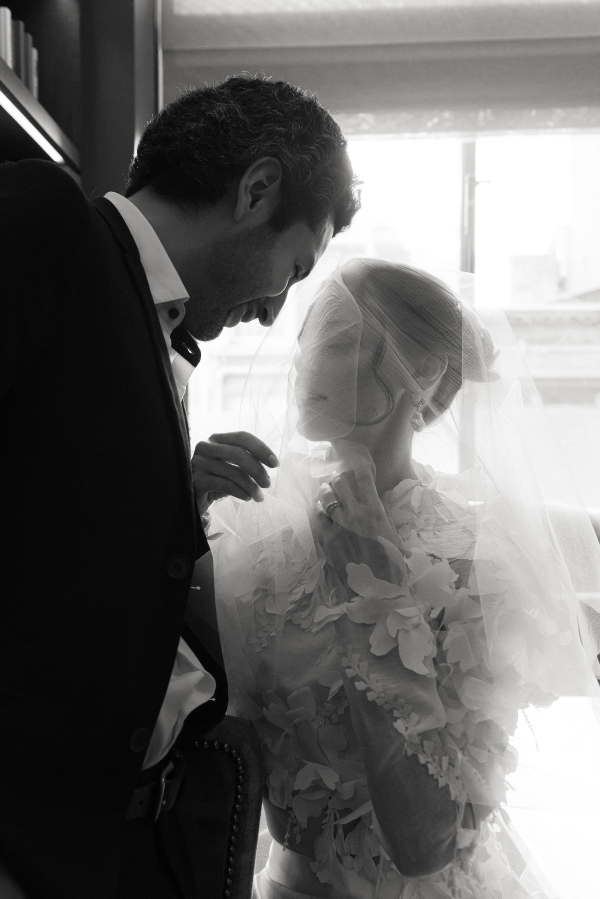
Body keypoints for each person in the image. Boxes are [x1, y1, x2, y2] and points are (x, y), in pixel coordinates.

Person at [0, 74, 359, 899]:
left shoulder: (158, 335)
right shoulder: (48, 224)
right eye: (292, 268)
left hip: (126, 840)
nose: (275, 311)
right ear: (256, 189)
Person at [211, 258, 600, 898]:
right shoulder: (253, 542)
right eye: (307, 343)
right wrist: (182, 509)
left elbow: (430, 843)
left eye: (338, 342)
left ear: (419, 373)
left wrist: (374, 585)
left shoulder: (473, 560)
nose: (306, 367)